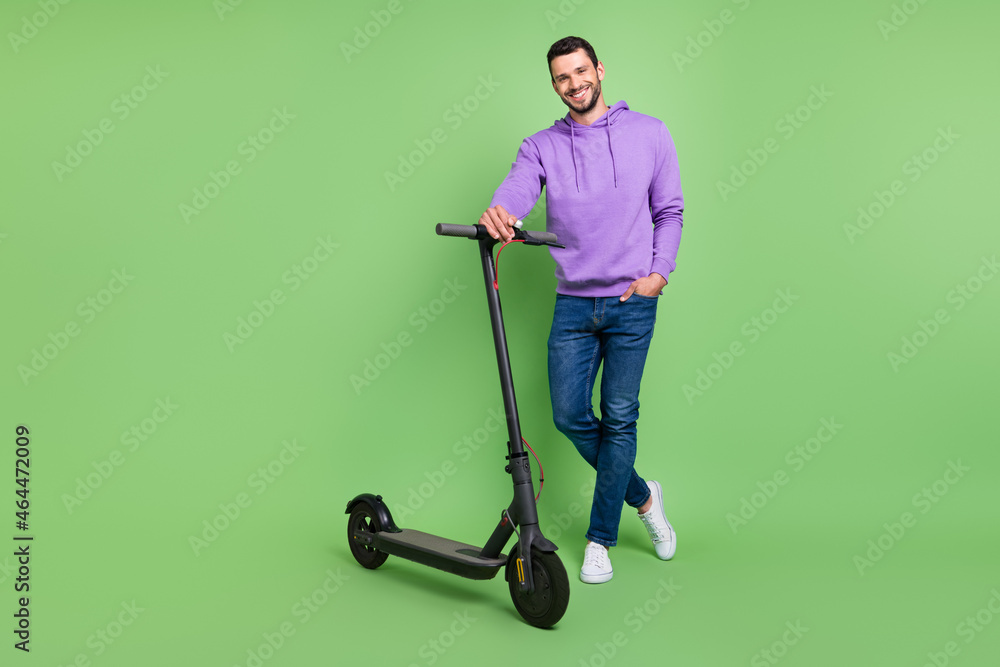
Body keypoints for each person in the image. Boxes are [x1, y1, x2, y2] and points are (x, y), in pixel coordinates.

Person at [479, 36, 684, 584]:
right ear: (555, 86)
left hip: (631, 302)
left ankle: (600, 540)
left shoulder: (650, 133)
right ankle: (644, 497)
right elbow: (518, 188)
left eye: (580, 71)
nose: (574, 84)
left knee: (620, 418)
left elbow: (670, 211)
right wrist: (502, 210)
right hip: (573, 304)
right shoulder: (542, 145)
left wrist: (657, 275)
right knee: (570, 416)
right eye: (561, 78)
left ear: (599, 69)